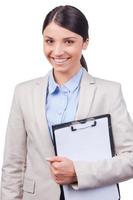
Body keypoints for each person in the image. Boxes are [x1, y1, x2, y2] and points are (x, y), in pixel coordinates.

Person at [1, 5, 133, 200]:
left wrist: (78, 172)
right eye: (49, 41)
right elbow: (13, 165)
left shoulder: (109, 92)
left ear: (85, 43)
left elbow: (130, 158)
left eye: (69, 41)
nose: (57, 51)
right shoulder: (24, 93)